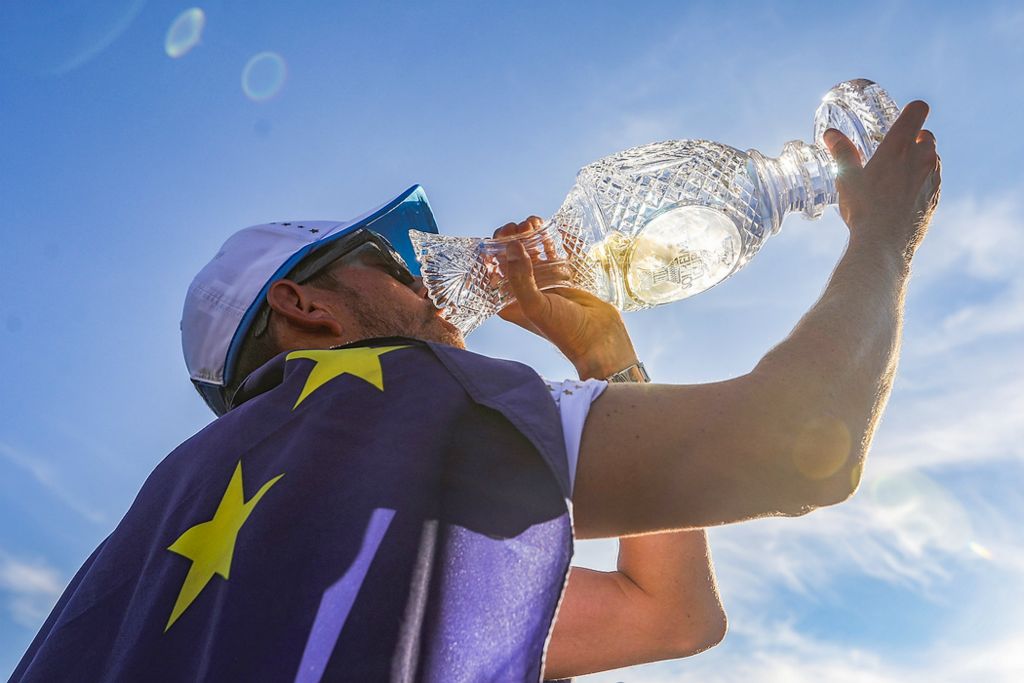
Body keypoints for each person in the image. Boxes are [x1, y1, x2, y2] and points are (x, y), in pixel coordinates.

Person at [10, 101, 940, 682]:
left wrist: (608, 356)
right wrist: (883, 237)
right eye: (389, 261)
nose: (428, 277)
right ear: (307, 305)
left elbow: (672, 617)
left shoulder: (167, 526)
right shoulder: (388, 394)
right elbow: (803, 446)